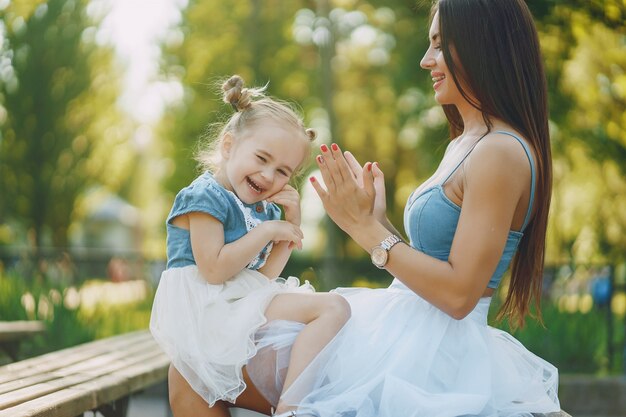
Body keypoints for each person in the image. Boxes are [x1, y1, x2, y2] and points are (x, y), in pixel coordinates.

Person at [168, 0, 563, 415]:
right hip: (403, 325)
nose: (426, 60)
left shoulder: (499, 151)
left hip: (429, 348)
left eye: (440, 45)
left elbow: (459, 294)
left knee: (194, 370)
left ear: (484, 45)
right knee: (193, 367)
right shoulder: (469, 141)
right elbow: (435, 260)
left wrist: (366, 230)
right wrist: (377, 220)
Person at [150, 75, 351, 417]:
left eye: (283, 171)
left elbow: (262, 278)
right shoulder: (205, 196)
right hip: (208, 311)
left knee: (332, 314)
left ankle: (295, 401)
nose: (269, 175)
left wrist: (290, 227)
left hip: (234, 303)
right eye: (261, 158)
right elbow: (213, 270)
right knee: (333, 308)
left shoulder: (261, 209)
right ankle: (292, 409)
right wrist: (269, 229)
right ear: (229, 147)